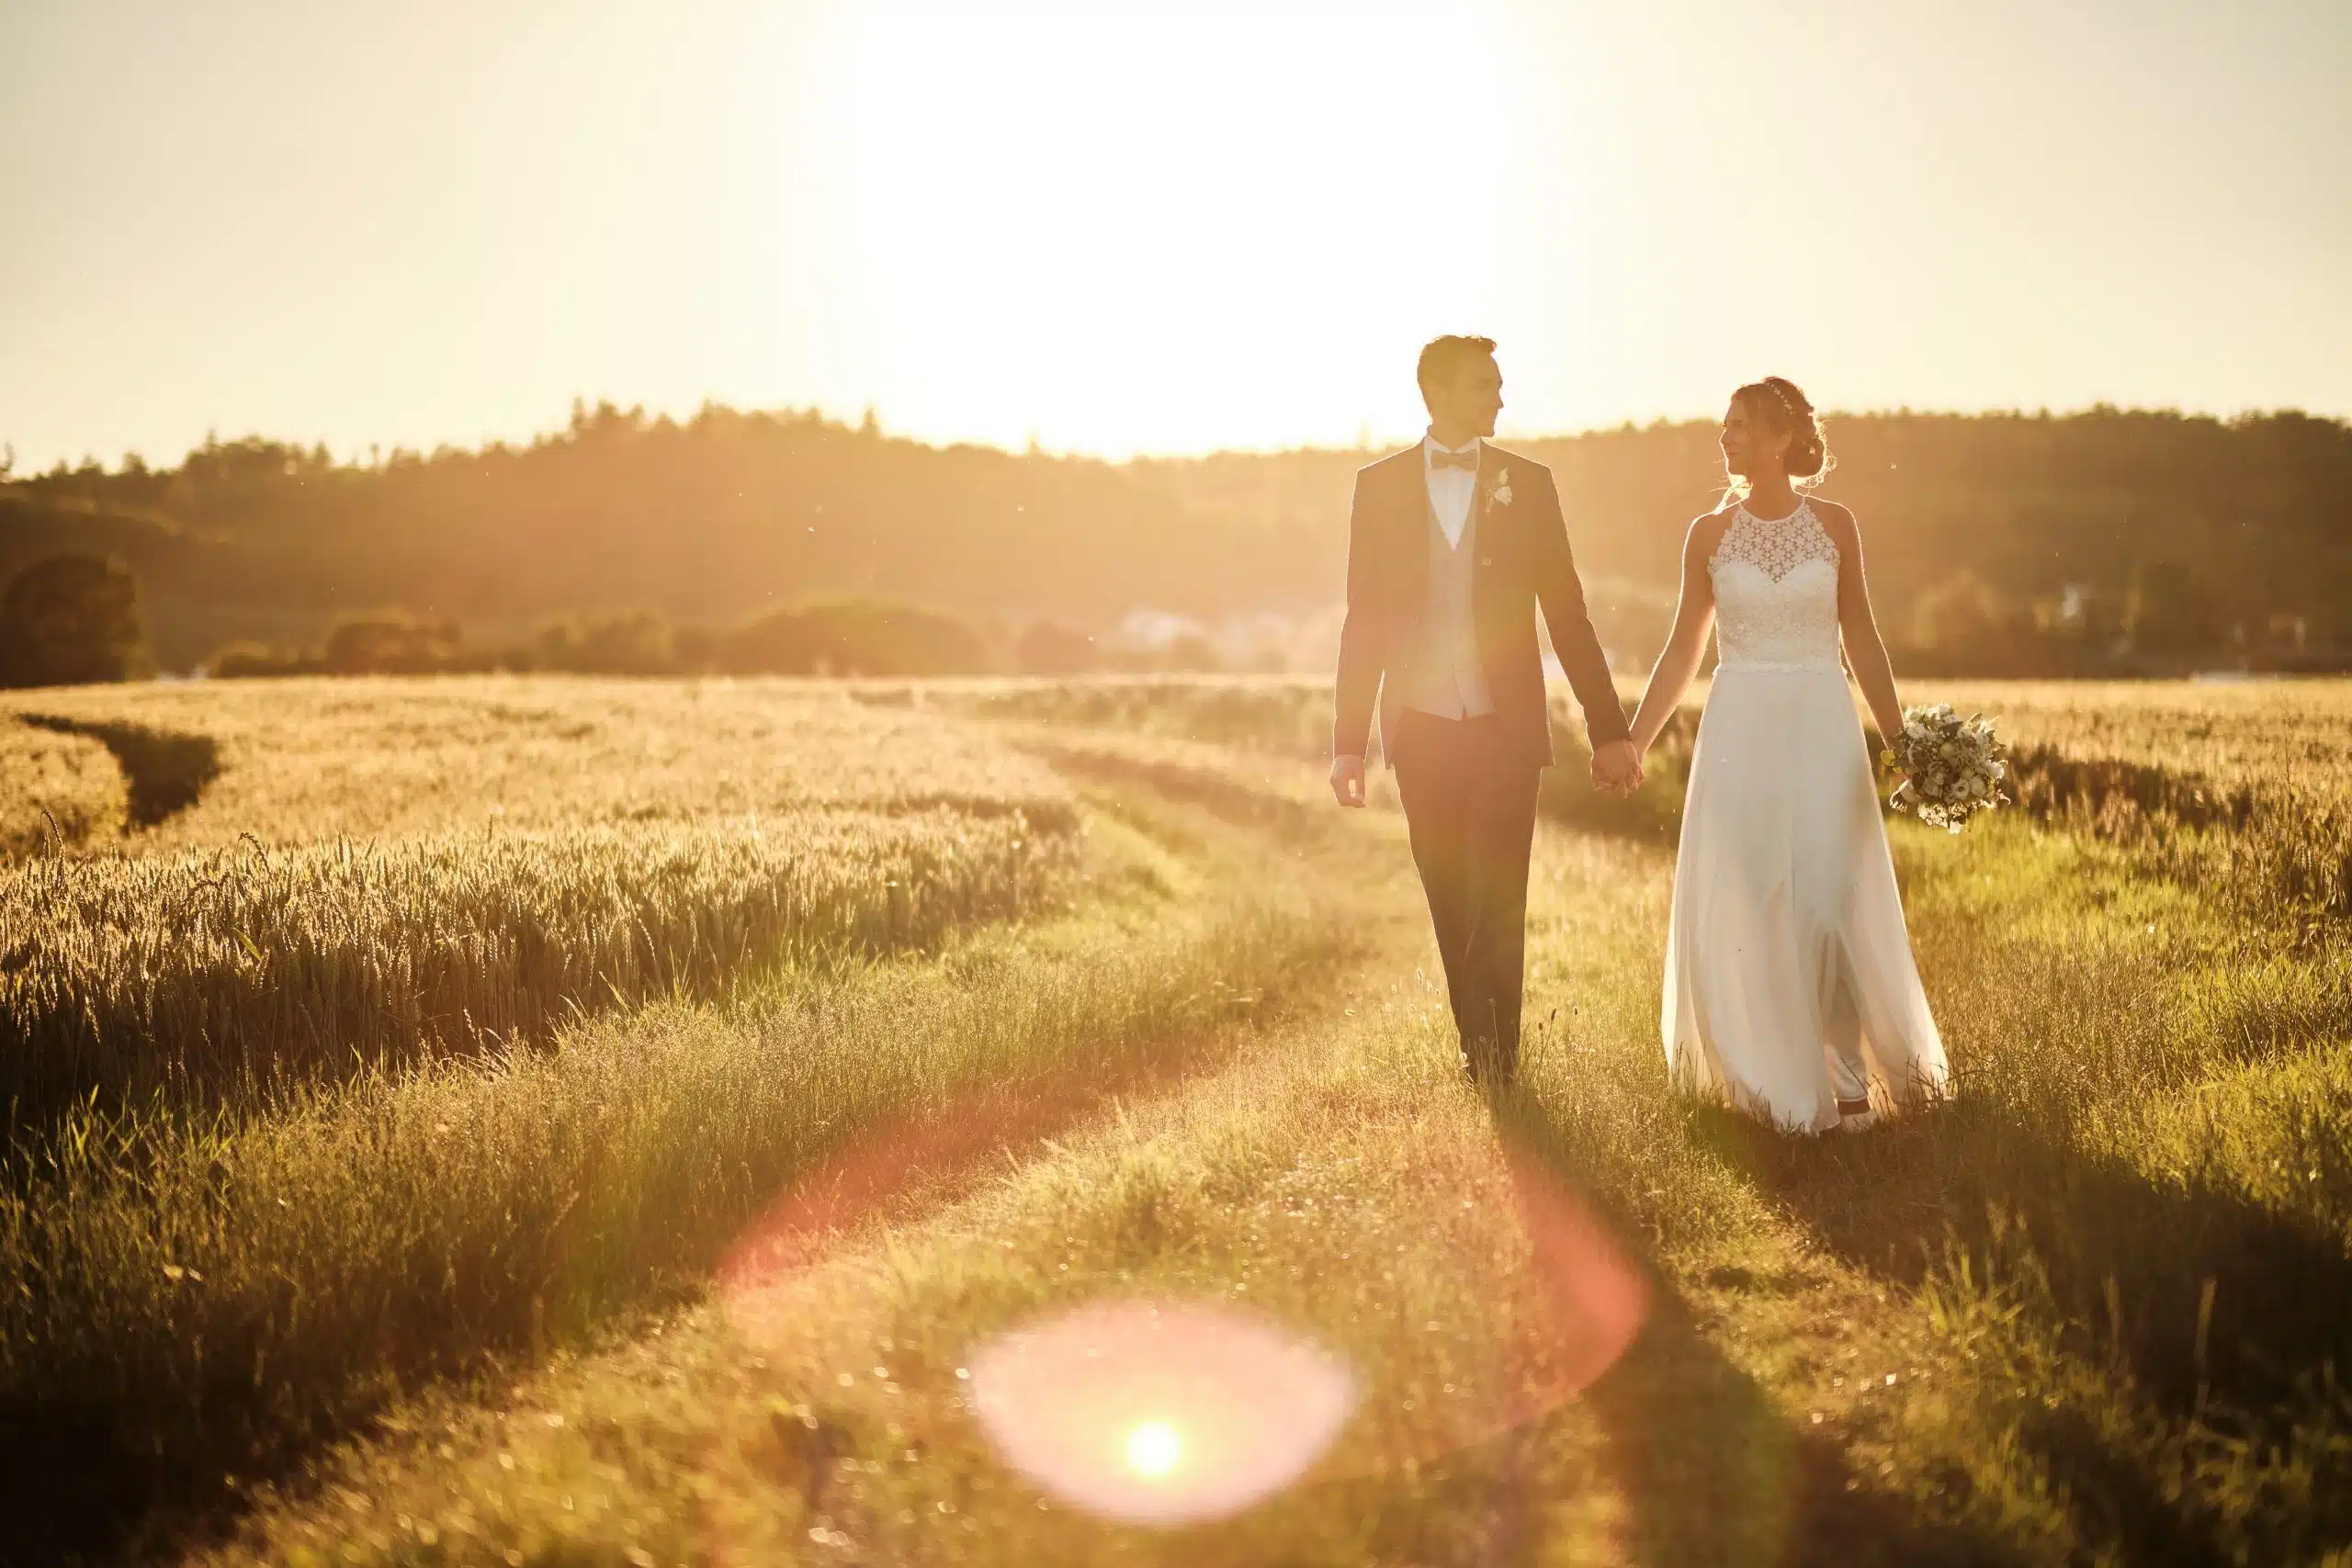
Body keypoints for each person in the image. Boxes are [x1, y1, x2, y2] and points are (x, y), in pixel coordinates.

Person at [1623, 378, 1948, 1133]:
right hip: (1739, 731)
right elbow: (1681, 649)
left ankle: (1849, 1085)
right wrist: (1634, 740)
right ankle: (1770, 1076)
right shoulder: (1707, 535)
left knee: (1829, 898)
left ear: (1778, 438)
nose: (1725, 438)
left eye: (1738, 426)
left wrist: (1903, 742)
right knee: (1756, 899)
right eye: (1724, 426)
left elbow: (1861, 635)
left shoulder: (1835, 526)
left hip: (1821, 723)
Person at [1329, 335, 1642, 1084]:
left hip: (1506, 728)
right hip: (1420, 727)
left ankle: (1497, 1067)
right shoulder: (1377, 487)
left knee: (1498, 893)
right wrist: (1348, 744)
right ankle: (1479, 1049)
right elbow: (1363, 619)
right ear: (1437, 392)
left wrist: (1609, 730)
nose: (1500, 397)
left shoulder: (1528, 484)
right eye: (1484, 385)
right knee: (1449, 896)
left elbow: (1568, 612)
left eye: (1500, 384)